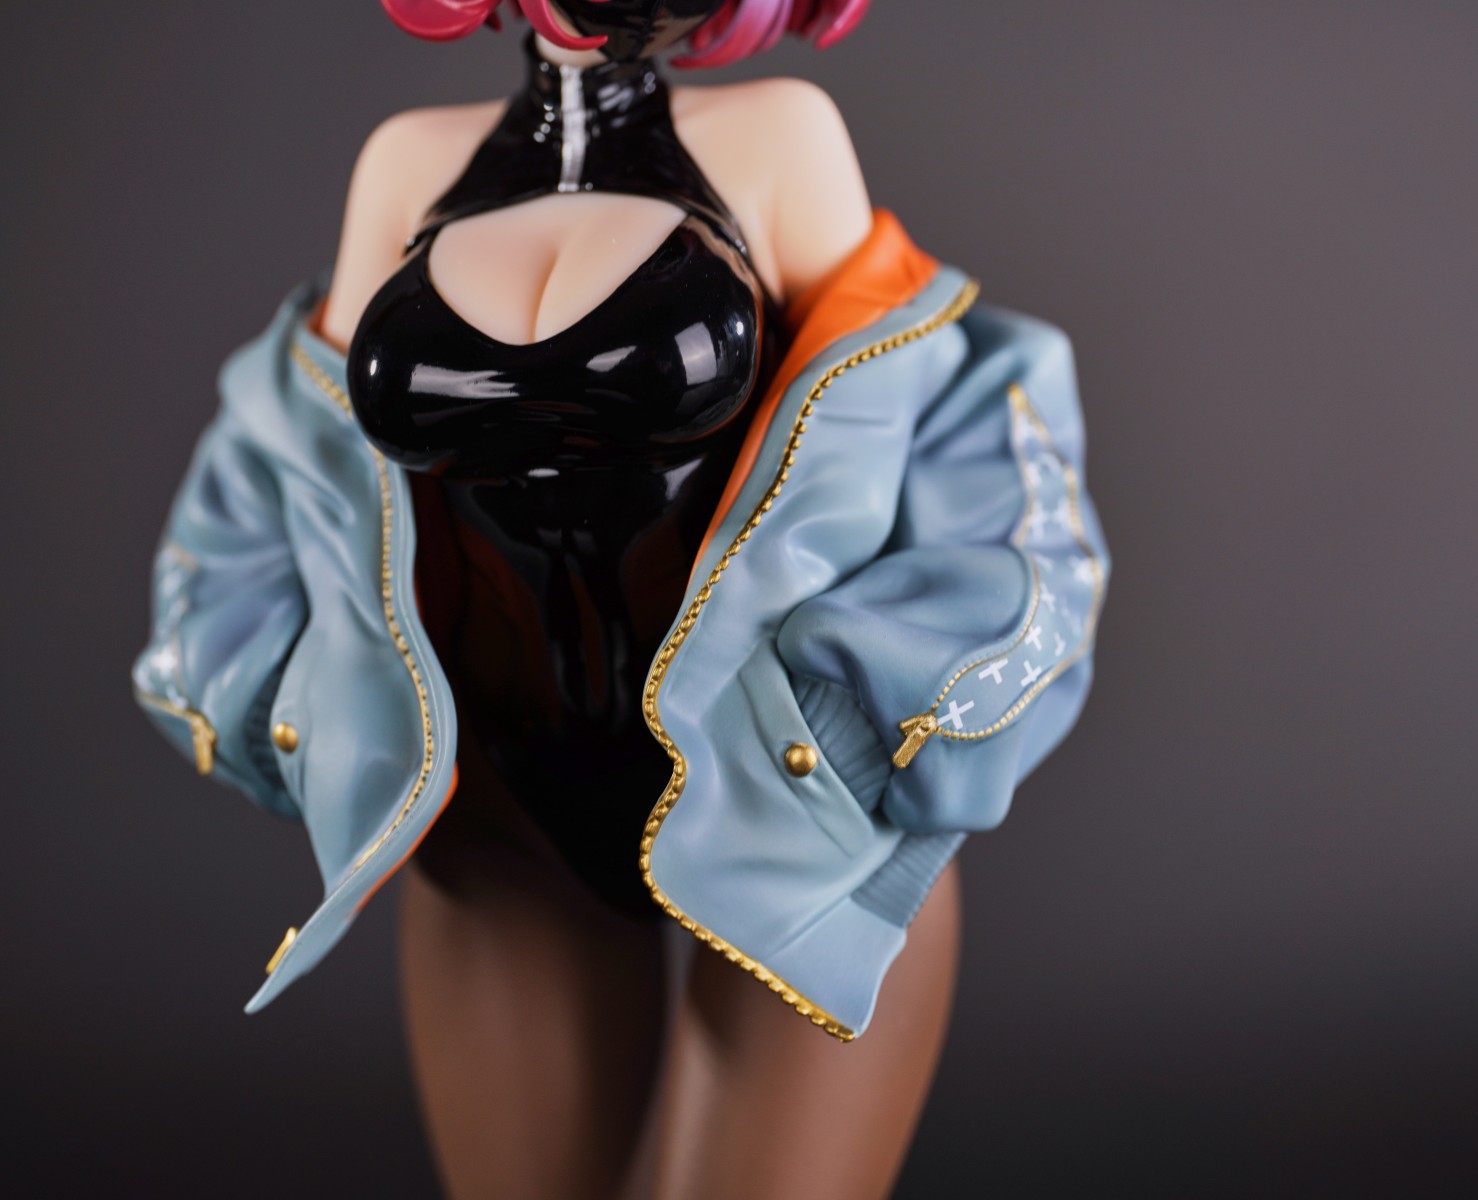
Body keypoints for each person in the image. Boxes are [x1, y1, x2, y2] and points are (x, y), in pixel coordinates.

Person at [130, 2, 1109, 1196]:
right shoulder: (404, 164)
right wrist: (308, 704)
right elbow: (299, 458)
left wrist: (864, 722)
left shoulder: (781, 139)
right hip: (505, 824)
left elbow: (926, 419)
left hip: (787, 815)